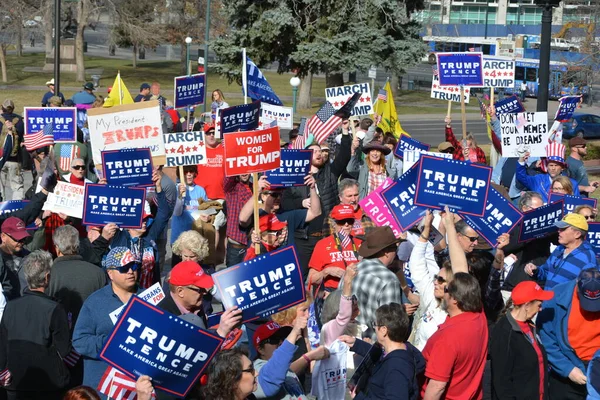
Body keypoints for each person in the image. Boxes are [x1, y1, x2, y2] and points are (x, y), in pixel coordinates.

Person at [281, 125, 353, 277]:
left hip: (326, 235)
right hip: (304, 237)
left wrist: (345, 132)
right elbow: (284, 204)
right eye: (314, 151)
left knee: (324, 277)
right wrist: (300, 203)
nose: (319, 154)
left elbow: (344, 156)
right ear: (305, 156)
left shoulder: (330, 173)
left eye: (320, 151)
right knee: (300, 277)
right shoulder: (295, 179)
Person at [0, 251, 72, 400]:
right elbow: (63, 350)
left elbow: (2, 347)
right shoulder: (54, 308)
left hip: (16, 382)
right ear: (47, 277)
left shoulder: (11, 306)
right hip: (47, 385)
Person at [72, 247, 143, 391]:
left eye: (133, 266)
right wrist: (110, 342)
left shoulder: (149, 298)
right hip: (104, 386)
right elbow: (79, 341)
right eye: (124, 268)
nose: (130, 271)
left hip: (138, 386)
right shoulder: (94, 302)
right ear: (110, 273)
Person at [420, 273, 488, 400]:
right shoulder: (480, 318)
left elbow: (437, 387)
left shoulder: (447, 338)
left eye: (446, 289)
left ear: (455, 299)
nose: (443, 292)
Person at [340, 303, 425, 400]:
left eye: (375, 325)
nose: (375, 329)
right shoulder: (398, 349)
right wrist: (356, 344)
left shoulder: (397, 369)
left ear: (384, 330)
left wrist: (359, 398)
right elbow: (380, 354)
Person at [538, 268, 600, 400]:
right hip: (567, 370)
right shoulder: (556, 297)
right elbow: (546, 338)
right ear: (577, 285)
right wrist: (567, 369)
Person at [110, 168, 173, 288]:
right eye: (141, 220)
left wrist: (158, 188)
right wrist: (103, 190)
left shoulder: (149, 235)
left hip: (149, 292)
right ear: (129, 224)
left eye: (145, 219)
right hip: (126, 292)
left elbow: (164, 214)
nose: (145, 222)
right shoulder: (119, 238)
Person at [490, 281, 554, 400]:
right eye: (539, 305)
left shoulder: (529, 325)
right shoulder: (504, 333)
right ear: (527, 305)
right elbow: (502, 383)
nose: (540, 309)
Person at [339, 226, 404, 340]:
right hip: (372, 348)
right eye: (395, 249)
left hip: (344, 342)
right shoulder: (388, 279)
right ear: (387, 252)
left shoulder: (350, 271)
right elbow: (391, 325)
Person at [46, 225, 107, 332]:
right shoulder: (98, 273)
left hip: (57, 336)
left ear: (57, 248)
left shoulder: (48, 274)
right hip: (89, 335)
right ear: (77, 245)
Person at [311, 266, 359, 399]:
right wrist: (348, 281)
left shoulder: (358, 326)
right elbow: (344, 315)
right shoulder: (331, 328)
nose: (357, 312)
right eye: (353, 309)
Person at [158, 260, 241, 335]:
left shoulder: (193, 303)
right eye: (200, 289)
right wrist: (220, 332)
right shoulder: (164, 319)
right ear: (180, 292)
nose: (204, 293)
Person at [253, 318, 330, 399]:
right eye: (274, 340)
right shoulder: (257, 369)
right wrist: (308, 357)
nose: (281, 342)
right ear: (260, 349)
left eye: (283, 338)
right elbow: (273, 377)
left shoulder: (287, 369)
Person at [410, 210, 454, 351]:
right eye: (436, 278)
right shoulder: (432, 297)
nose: (436, 282)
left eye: (441, 280)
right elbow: (417, 266)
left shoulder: (457, 314)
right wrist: (426, 231)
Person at [525, 213, 597, 289]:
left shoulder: (588, 257)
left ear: (577, 234)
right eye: (559, 228)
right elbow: (546, 273)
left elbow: (590, 289)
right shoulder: (559, 249)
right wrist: (536, 270)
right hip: (548, 300)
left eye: (563, 229)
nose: (558, 231)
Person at [308, 204, 362, 291]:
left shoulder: (360, 242)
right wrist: (327, 271)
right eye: (342, 221)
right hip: (332, 293)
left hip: (356, 290)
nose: (346, 224)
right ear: (334, 224)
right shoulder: (322, 244)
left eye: (350, 220)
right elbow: (312, 279)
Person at [171, 165, 208, 247]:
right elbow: (177, 213)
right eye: (185, 172)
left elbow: (205, 210)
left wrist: (206, 215)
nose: (189, 174)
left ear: (195, 173)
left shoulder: (200, 190)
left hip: (196, 238)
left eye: (191, 171)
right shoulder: (176, 189)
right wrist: (180, 196)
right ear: (180, 174)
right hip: (179, 237)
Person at [224, 173, 253, 266]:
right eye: (241, 170)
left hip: (252, 242)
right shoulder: (232, 187)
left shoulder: (256, 187)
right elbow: (228, 176)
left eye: (246, 170)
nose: (244, 173)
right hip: (236, 244)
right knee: (233, 277)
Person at [0, 217, 32, 299]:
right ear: (3, 236)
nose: (21, 242)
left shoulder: (30, 257)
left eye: (24, 238)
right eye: (17, 238)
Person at [0, 99, 25, 200]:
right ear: (13, 109)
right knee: (17, 187)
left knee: (0, 188)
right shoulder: (19, 121)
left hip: (1, 158)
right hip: (15, 159)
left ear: (2, 108)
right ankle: (16, 210)